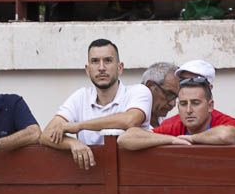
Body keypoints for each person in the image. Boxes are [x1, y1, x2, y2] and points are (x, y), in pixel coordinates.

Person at [42, 39, 152, 170]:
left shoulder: (138, 91)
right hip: (90, 179)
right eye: (95, 61)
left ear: (120, 68)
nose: (101, 68)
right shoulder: (80, 97)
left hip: (137, 176)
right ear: (88, 70)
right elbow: (46, 134)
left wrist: (79, 126)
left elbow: (130, 120)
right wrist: (72, 143)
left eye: (108, 61)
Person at [118, 77, 235, 150]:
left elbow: (226, 135)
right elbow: (125, 139)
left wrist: (191, 138)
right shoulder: (174, 126)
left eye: (195, 103)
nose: (188, 110)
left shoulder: (224, 122)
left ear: (210, 106)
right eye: (183, 104)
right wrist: (171, 140)